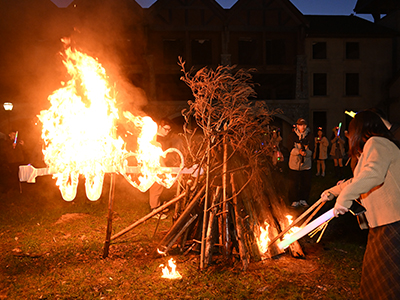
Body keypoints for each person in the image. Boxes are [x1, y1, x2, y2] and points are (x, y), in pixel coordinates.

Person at [320, 110, 400, 300]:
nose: (348, 137)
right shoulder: (375, 146)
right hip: (383, 224)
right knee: (374, 279)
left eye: (350, 132)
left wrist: (344, 200)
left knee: (388, 283)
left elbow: (372, 175)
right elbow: (357, 180)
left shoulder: (377, 143)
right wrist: (332, 192)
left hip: (393, 224)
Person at [149, 118, 173, 220]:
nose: (167, 132)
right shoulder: (154, 138)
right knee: (156, 187)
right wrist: (163, 167)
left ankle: (158, 207)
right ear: (159, 127)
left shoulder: (161, 138)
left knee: (160, 186)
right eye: (165, 129)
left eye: (169, 130)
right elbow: (157, 155)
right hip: (156, 166)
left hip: (161, 165)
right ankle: (154, 210)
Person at [287, 118, 314, 207]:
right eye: (300, 125)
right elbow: (290, 148)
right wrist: (298, 152)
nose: (302, 127)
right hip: (294, 165)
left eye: (304, 125)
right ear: (297, 126)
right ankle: (294, 200)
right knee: (293, 183)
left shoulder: (309, 136)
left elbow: (312, 149)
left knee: (305, 183)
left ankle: (303, 199)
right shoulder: (292, 136)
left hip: (306, 165)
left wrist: (306, 153)